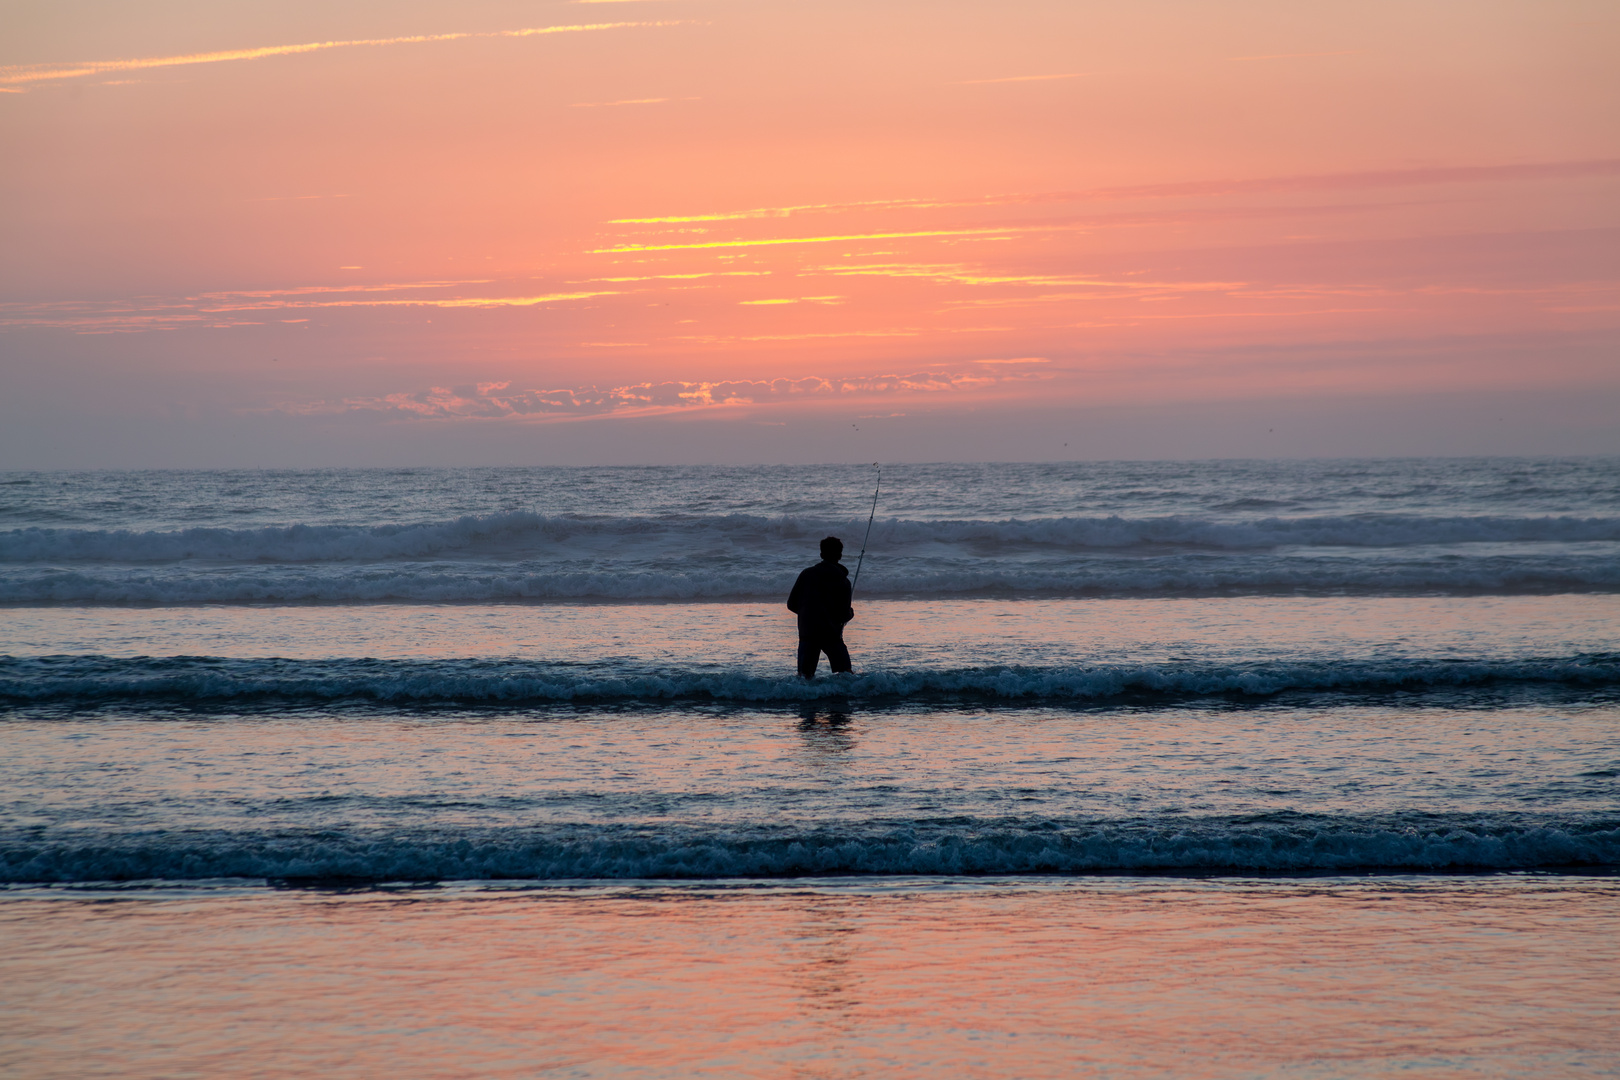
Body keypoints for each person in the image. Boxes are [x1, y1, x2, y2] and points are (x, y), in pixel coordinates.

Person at [787, 536, 855, 678]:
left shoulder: (806, 574)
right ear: (840, 556)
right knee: (845, 676)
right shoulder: (843, 581)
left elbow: (791, 604)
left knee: (804, 678)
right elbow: (844, 614)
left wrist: (809, 614)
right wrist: (850, 613)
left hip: (808, 632)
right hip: (831, 633)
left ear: (821, 555)